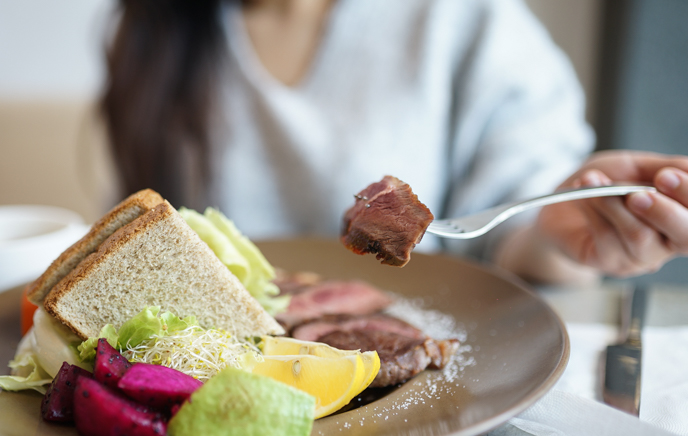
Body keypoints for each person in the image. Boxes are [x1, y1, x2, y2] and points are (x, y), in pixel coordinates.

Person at [101, 0, 688, 285]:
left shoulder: (462, 17)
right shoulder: (157, 30)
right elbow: (147, 234)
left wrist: (562, 235)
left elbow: (521, 224)